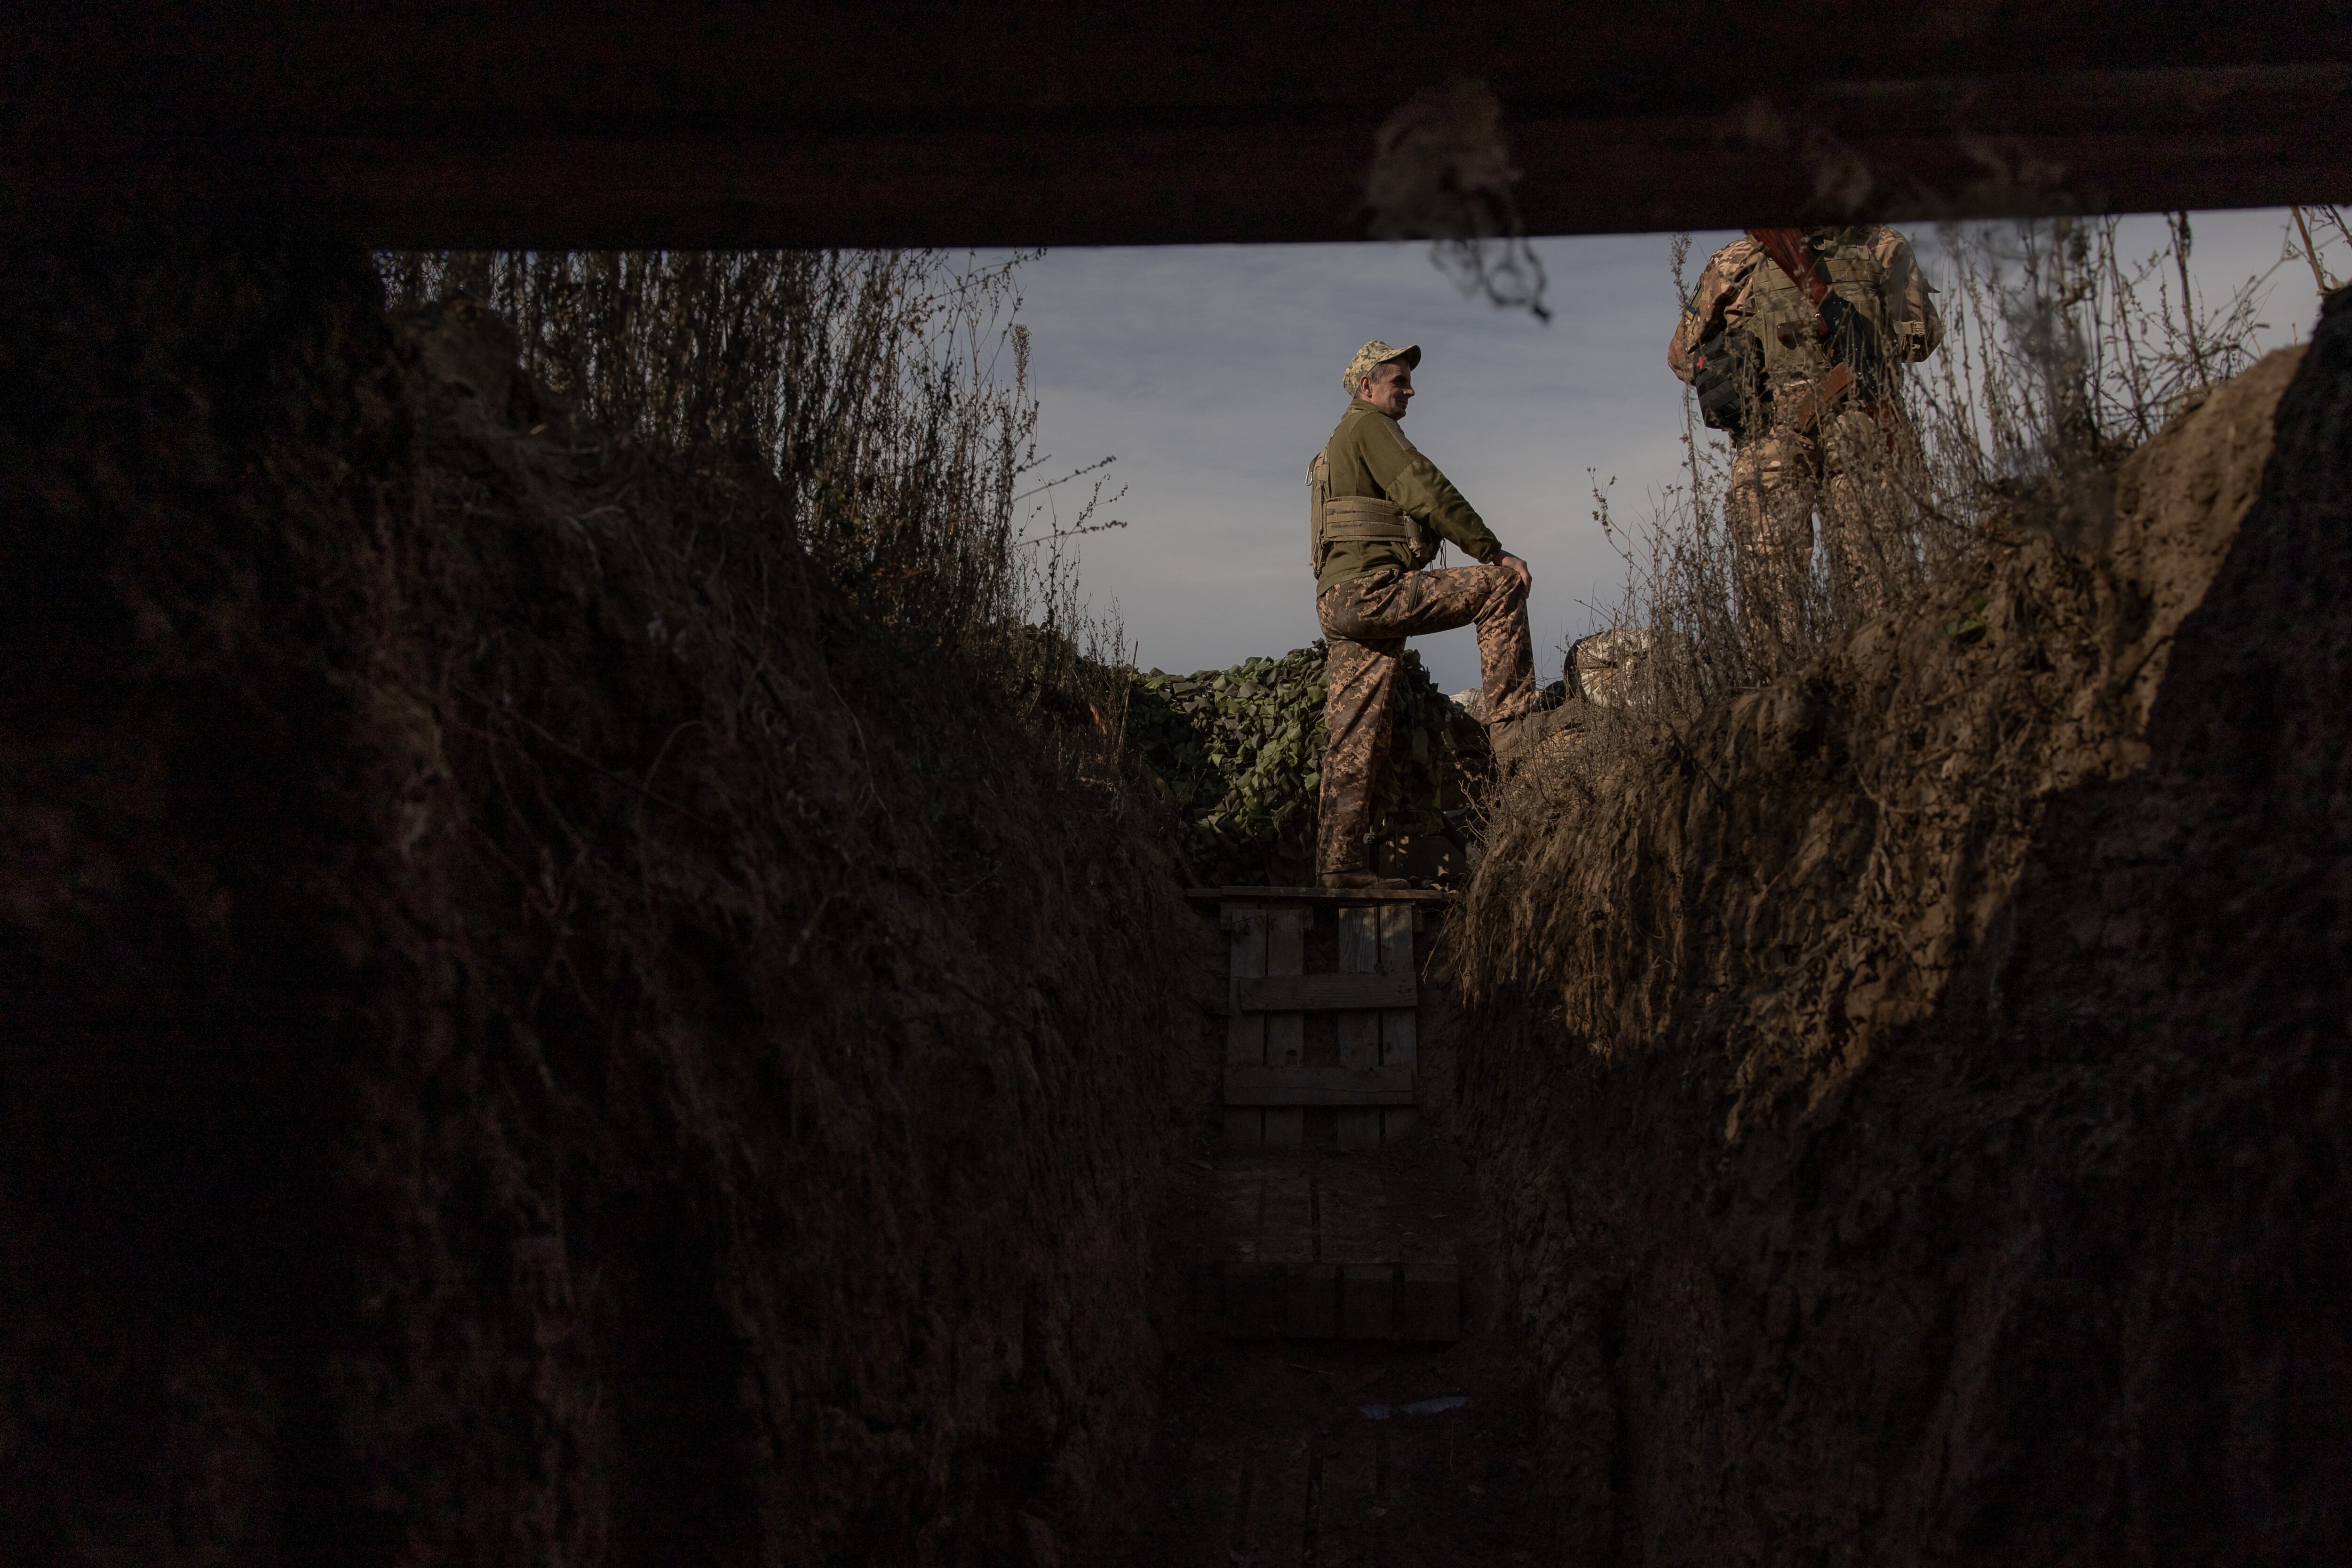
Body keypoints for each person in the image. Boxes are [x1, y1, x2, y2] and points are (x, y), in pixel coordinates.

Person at [1310, 339, 1576, 889]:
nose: (1409, 390)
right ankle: (1511, 729)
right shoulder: (1366, 426)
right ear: (1367, 387)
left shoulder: (1335, 445)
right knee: (1500, 587)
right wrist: (1491, 549)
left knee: (1354, 737)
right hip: (1372, 591)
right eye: (1397, 381)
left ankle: (1337, 869)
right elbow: (1425, 489)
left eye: (1408, 380)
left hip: (1339, 602)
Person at [1669, 225, 1943, 637]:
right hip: (1788, 433)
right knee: (1795, 596)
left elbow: (1923, 337)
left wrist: (1857, 331)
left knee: (1868, 583)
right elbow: (1682, 356)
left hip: (1844, 424)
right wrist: (1737, 362)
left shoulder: (1877, 246)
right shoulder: (1740, 261)